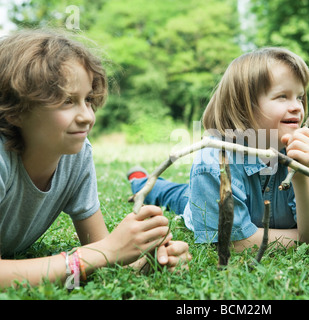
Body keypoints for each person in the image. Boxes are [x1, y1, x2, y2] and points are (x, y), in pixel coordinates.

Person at [0, 29, 191, 288]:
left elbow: (102, 251)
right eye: (67, 101)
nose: (88, 116)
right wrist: (99, 254)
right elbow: (101, 253)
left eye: (88, 99)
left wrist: (150, 259)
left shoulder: (76, 155)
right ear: (15, 111)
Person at [129, 47, 309, 252]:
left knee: (183, 192)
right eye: (282, 96)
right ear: (243, 106)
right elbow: (236, 244)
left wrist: (302, 175)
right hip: (202, 200)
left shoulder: (304, 146)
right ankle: (139, 181)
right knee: (177, 196)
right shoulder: (214, 161)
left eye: (299, 97)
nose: (297, 107)